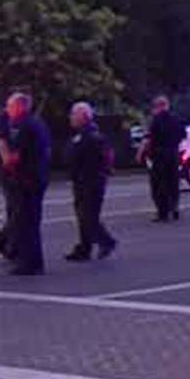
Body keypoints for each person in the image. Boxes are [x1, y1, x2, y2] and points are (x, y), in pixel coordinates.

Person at [4, 92, 50, 276]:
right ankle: (33, 261)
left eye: (11, 106)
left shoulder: (25, 126)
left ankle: (28, 262)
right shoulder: (37, 124)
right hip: (35, 178)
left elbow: (18, 154)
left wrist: (8, 162)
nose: (8, 110)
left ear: (21, 106)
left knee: (25, 221)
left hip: (26, 179)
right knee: (30, 221)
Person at [65, 102, 117, 261]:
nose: (71, 118)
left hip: (91, 181)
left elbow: (106, 155)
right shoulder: (81, 135)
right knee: (83, 215)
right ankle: (84, 248)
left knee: (88, 216)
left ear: (84, 117)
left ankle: (106, 241)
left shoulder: (92, 136)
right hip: (81, 181)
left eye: (74, 114)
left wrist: (104, 171)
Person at [137, 95, 186, 222]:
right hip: (173, 154)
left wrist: (140, 153)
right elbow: (183, 134)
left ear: (157, 107)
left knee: (159, 184)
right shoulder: (176, 119)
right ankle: (174, 207)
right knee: (173, 183)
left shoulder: (155, 120)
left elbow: (149, 138)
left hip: (159, 155)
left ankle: (163, 212)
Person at [0, 97, 20, 260]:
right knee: (18, 210)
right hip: (12, 172)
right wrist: (7, 161)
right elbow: (1, 142)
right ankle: (4, 239)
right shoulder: (7, 121)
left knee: (14, 208)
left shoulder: (6, 120)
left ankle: (12, 244)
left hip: (9, 170)